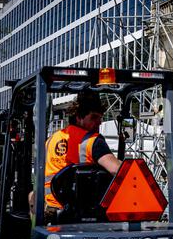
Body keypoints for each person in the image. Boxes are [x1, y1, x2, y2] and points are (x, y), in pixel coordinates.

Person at [43, 92, 122, 224]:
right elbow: (117, 170)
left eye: (100, 117)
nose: (99, 122)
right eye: (94, 117)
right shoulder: (92, 140)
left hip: (51, 208)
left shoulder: (51, 139)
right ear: (79, 117)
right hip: (81, 211)